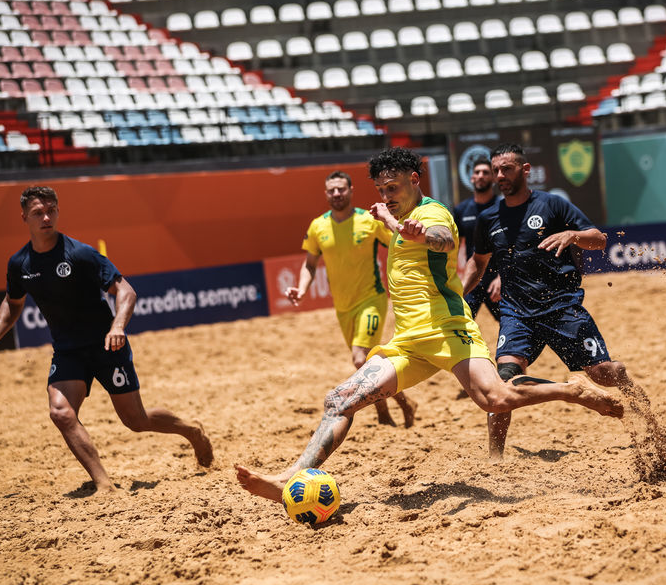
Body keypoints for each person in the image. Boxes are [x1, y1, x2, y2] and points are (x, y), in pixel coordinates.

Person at [236, 147, 624, 504]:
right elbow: (404, 232)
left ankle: (572, 390)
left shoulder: (432, 214)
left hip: (447, 331)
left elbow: (440, 239)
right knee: (340, 399)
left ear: (414, 180)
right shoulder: (397, 218)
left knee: (495, 400)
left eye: (394, 186)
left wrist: (419, 233)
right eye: (382, 188)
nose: (387, 194)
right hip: (407, 343)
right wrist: (394, 222)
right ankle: (292, 476)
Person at [0, 186, 213, 494]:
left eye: (51, 210)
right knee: (60, 412)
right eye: (38, 213)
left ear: (57, 211)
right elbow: (13, 302)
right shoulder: (20, 264)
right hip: (68, 351)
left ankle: (191, 431)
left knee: (135, 420)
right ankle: (104, 484)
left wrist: (118, 326)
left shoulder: (80, 254)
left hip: (107, 345)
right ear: (24, 218)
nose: (46, 217)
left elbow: (126, 291)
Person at [463, 143, 666, 477]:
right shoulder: (489, 217)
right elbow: (478, 263)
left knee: (605, 374)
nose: (499, 176)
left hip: (562, 308)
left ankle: (642, 408)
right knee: (504, 379)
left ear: (525, 169)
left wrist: (573, 235)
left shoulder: (552, 204)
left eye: (506, 169)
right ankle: (495, 459)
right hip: (517, 314)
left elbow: (599, 239)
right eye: (496, 170)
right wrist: (458, 294)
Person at [286, 170, 417, 428]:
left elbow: (399, 244)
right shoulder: (317, 226)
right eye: (331, 190)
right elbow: (310, 265)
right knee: (369, 363)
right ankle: (404, 404)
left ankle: (384, 414)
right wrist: (302, 289)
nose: (336, 194)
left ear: (351, 190)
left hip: (372, 298)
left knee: (361, 359)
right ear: (326, 194)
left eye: (341, 189)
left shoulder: (368, 220)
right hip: (343, 308)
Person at [452, 159, 501, 321]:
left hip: (499, 279)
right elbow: (453, 246)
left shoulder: (502, 206)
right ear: (471, 178)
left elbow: (513, 244)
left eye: (486, 173)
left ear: (494, 178)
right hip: (473, 278)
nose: (481, 176)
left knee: (514, 323)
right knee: (460, 322)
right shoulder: (461, 210)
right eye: (477, 172)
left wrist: (502, 278)